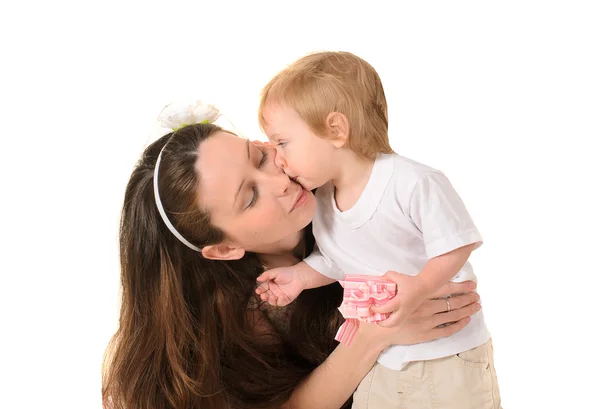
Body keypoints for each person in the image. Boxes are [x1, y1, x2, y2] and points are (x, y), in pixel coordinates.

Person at [102, 112, 482, 409]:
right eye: (250, 197)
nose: (279, 182)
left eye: (260, 156)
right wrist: (374, 333)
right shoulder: (242, 313)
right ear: (223, 248)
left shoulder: (350, 196)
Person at [255, 51, 501, 408]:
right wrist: (299, 278)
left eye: (283, 142)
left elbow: (456, 244)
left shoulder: (410, 181)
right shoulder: (323, 199)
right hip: (383, 359)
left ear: (335, 130)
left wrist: (420, 287)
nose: (279, 158)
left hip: (446, 352)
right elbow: (337, 258)